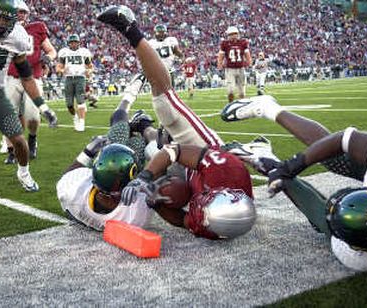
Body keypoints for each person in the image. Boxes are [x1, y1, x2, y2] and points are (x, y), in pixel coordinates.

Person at [96, 5, 257, 240]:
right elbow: (175, 151)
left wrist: (156, 203)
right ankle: (129, 27)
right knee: (166, 106)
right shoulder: (226, 174)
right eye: (202, 204)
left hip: (191, 175)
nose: (197, 208)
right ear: (219, 195)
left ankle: (143, 126)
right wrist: (145, 178)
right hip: (203, 151)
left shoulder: (212, 223)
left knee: (155, 158)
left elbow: (184, 221)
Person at [221, 95, 367, 272]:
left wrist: (274, 169)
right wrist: (290, 166)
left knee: (330, 222)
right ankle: (266, 107)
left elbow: (322, 217)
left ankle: (263, 157)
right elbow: (347, 139)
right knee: (336, 159)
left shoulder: (363, 259)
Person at [57, 77, 154, 230]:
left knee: (121, 131)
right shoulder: (135, 216)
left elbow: (67, 176)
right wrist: (148, 181)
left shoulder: (71, 193)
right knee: (141, 143)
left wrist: (87, 152)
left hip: (106, 184)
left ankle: (133, 111)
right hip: (123, 177)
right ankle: (142, 126)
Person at [0, 0, 59, 192]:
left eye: (6, 20)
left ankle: (24, 173)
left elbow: (27, 77)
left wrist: (43, 107)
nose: (0, 23)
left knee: (20, 142)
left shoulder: (18, 37)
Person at [3, 0, 57, 163]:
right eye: (17, 11)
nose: (20, 14)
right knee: (8, 116)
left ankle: (32, 139)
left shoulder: (37, 27)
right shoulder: (3, 29)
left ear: (27, 14)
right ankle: (12, 151)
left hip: (33, 77)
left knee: (33, 116)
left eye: (23, 12)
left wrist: (48, 58)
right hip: (11, 78)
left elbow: (52, 50)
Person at [56, 33, 93, 132]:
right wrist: (62, 70)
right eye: (71, 42)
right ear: (68, 43)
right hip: (68, 78)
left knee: (80, 100)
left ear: (78, 43)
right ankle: (75, 116)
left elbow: (90, 66)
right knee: (69, 104)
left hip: (80, 77)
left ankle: (82, 122)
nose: (73, 44)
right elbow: (58, 67)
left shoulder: (84, 52)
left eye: (75, 42)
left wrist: (89, 71)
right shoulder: (64, 52)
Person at [217, 26, 252, 103]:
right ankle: (230, 104)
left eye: (235, 34)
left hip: (241, 68)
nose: (233, 36)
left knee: (242, 92)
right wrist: (219, 64)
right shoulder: (225, 43)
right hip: (230, 69)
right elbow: (221, 55)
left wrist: (249, 62)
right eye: (231, 34)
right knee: (231, 91)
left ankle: (241, 106)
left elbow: (247, 54)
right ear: (228, 35)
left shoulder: (243, 42)